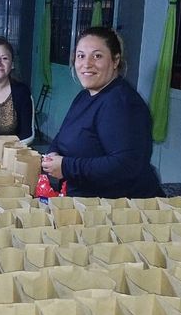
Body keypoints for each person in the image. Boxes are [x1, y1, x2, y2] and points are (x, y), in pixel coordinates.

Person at [41, 27, 163, 198]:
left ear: (115, 61)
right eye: (81, 56)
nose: (87, 63)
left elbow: (126, 165)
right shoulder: (84, 96)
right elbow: (63, 136)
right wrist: (53, 153)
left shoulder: (121, 103)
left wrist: (67, 167)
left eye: (97, 56)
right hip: (82, 199)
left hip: (118, 210)